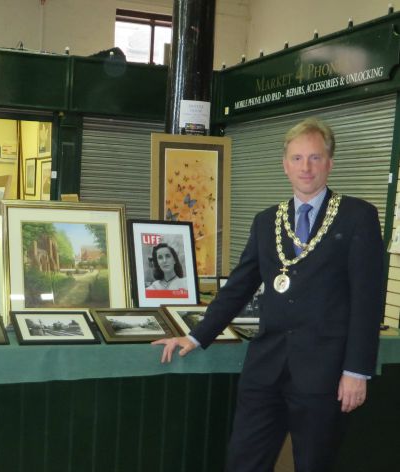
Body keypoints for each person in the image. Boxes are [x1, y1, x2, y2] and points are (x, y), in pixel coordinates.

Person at [152, 117, 384, 472]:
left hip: (326, 373)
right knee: (244, 461)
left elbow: (368, 299)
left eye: (315, 158)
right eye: (297, 158)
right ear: (285, 165)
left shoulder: (357, 216)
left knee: (314, 465)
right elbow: (238, 287)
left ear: (330, 163)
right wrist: (196, 335)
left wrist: (357, 371)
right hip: (266, 370)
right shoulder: (266, 221)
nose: (305, 167)